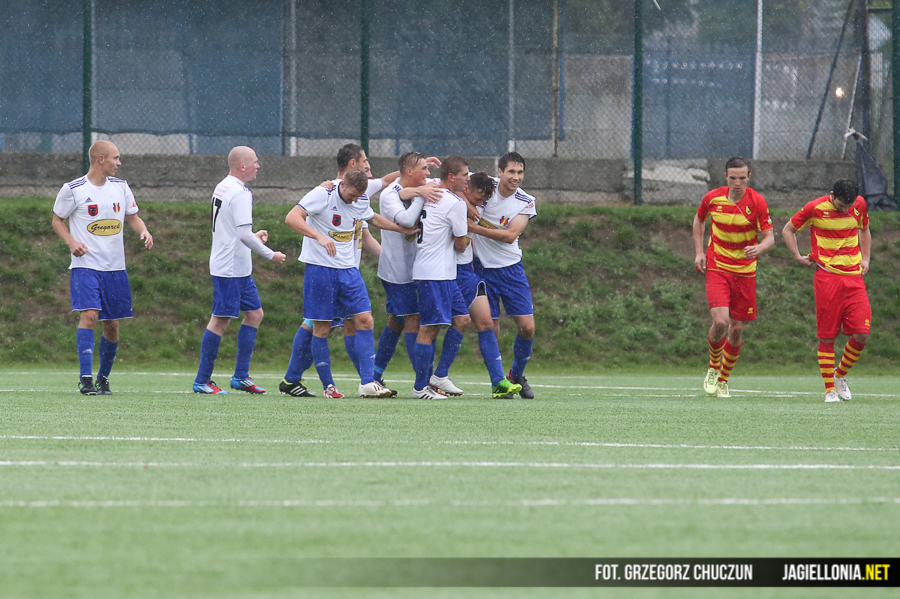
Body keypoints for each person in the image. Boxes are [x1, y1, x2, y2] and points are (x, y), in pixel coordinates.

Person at [283, 168, 417, 398]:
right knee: (322, 327)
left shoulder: (360, 198)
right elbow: (292, 217)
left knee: (365, 320)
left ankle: (368, 382)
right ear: (342, 184)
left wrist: (400, 229)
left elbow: (371, 217)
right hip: (320, 269)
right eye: (352, 195)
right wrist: (319, 236)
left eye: (358, 197)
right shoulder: (323, 193)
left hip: (348, 271)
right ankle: (328, 386)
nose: (355, 200)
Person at [51, 141, 153, 395]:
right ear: (100, 159)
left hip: (115, 268)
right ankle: (85, 379)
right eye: (115, 158)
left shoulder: (121, 187)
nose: (119, 163)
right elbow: (57, 220)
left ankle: (103, 379)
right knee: (89, 315)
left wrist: (143, 231)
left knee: (112, 325)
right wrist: (71, 242)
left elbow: (133, 217)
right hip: (86, 266)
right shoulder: (73, 189)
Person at [193, 146, 286, 394]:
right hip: (229, 268)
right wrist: (271, 254)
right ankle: (202, 380)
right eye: (255, 162)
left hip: (238, 267)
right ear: (242, 166)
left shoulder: (223, 186)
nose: (258, 166)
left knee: (255, 314)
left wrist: (254, 236)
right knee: (220, 321)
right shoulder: (240, 193)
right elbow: (243, 234)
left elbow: (235, 230)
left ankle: (241, 376)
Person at [782, 179, 872, 403]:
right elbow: (788, 230)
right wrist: (797, 256)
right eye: (840, 205)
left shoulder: (859, 204)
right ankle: (829, 389)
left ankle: (839, 375)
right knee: (827, 335)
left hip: (854, 278)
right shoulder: (815, 208)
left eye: (848, 206)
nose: (844, 210)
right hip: (827, 278)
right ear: (832, 195)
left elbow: (864, 229)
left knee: (862, 332)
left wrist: (866, 258)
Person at [692, 157, 774, 398]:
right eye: (733, 178)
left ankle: (724, 380)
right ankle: (713, 367)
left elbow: (770, 237)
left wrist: (758, 248)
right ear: (725, 177)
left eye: (742, 178)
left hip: (745, 273)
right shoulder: (712, 198)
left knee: (736, 330)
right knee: (720, 323)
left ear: (749, 177)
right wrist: (699, 252)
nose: (737, 183)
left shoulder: (757, 202)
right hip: (718, 267)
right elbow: (699, 220)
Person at [467, 152, 537, 399]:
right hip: (481, 269)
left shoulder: (526, 201)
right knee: (490, 328)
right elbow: (453, 184)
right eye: (511, 172)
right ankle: (499, 382)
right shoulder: (483, 186)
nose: (516, 177)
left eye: (520, 172)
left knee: (527, 328)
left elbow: (510, 236)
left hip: (511, 269)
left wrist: (474, 228)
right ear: (500, 172)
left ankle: (516, 374)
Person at [374, 152, 443, 389]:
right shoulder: (389, 195)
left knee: (397, 322)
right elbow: (406, 220)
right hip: (397, 272)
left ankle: (374, 374)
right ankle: (424, 382)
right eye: (423, 169)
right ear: (410, 172)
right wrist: (422, 195)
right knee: (414, 321)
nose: (428, 174)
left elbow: (453, 179)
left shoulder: (419, 186)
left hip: (419, 269)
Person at [409, 155, 472, 399]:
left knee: (462, 319)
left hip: (441, 273)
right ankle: (419, 388)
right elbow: (460, 246)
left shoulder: (430, 190)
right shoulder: (455, 203)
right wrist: (468, 235)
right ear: (451, 177)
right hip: (434, 274)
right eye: (464, 175)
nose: (467, 180)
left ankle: (439, 376)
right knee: (429, 328)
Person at [458, 172, 523, 398]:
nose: (480, 207)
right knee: (423, 323)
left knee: (486, 323)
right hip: (443, 271)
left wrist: (471, 220)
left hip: (468, 270)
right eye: (477, 200)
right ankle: (431, 379)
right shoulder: (450, 201)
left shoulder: (520, 200)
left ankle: (499, 382)